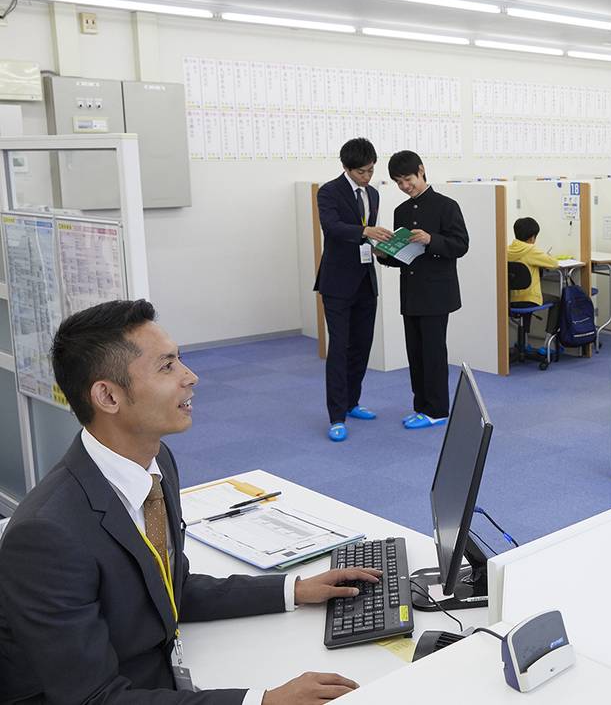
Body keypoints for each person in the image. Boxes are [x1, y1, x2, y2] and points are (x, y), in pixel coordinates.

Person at [0, 299, 378, 703]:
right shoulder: (47, 536)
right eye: (167, 367)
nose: (191, 377)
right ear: (107, 397)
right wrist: (261, 702)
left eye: (180, 360)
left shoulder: (155, 462)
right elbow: (92, 699)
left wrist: (293, 589)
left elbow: (167, 586)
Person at [377, 150, 469, 430]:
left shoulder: (447, 205)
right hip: (411, 291)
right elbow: (404, 254)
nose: (405, 186)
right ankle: (421, 407)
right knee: (415, 352)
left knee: (433, 352)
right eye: (399, 182)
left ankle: (438, 409)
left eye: (408, 179)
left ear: (421, 170)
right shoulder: (401, 211)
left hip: (437, 292)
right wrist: (385, 254)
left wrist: (432, 239)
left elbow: (461, 245)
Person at [314, 138, 393, 443]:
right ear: (347, 168)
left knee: (362, 345)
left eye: (371, 170)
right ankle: (336, 415)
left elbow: (366, 237)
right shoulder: (329, 192)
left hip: (365, 279)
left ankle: (353, 401)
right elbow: (332, 227)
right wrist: (364, 231)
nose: (368, 177)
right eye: (362, 172)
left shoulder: (372, 194)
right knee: (339, 347)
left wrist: (380, 245)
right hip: (337, 282)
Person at [507, 217, 560, 352]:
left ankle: (524, 343)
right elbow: (554, 264)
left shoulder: (507, 250)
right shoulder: (531, 250)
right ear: (532, 237)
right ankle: (548, 344)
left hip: (510, 300)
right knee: (557, 301)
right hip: (529, 299)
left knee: (528, 297)